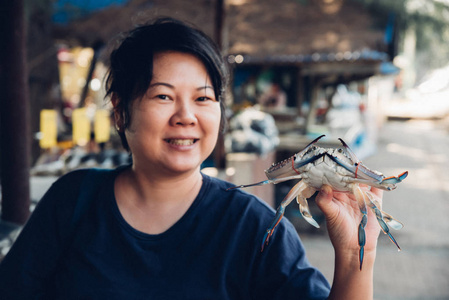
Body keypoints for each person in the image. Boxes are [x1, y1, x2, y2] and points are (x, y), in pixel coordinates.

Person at [0, 18, 382, 299]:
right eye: (163, 96)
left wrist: (353, 255)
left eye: (202, 98)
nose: (187, 116)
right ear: (120, 111)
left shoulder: (253, 229)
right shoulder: (73, 202)